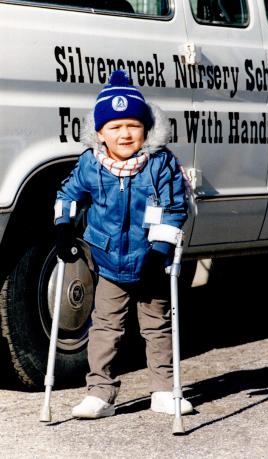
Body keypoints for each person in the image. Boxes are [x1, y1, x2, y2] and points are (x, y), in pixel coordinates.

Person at [55, 69, 193, 419]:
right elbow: (68, 194)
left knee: (157, 325)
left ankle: (164, 389)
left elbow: (174, 208)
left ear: (146, 129)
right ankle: (100, 391)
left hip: (150, 259)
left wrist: (159, 252)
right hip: (109, 262)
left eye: (133, 125)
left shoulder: (160, 165)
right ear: (100, 133)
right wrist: (63, 228)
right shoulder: (91, 164)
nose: (125, 134)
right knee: (104, 325)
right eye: (115, 128)